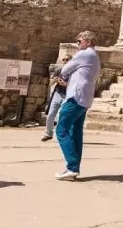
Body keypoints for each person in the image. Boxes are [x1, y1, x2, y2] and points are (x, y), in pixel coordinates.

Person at [54, 30, 101, 181]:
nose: (77, 44)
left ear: (87, 41)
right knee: (76, 132)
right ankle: (74, 168)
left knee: (61, 130)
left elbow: (65, 69)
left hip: (75, 96)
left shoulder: (84, 54)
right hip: (85, 98)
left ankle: (72, 167)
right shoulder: (95, 56)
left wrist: (65, 71)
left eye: (79, 41)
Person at [41, 55, 71, 142]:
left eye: (67, 59)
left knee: (62, 116)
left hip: (67, 95)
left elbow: (73, 85)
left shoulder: (73, 72)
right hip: (57, 94)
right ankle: (48, 134)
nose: (65, 61)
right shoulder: (59, 70)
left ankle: (63, 134)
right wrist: (55, 80)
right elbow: (51, 83)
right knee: (50, 115)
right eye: (64, 60)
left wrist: (64, 84)